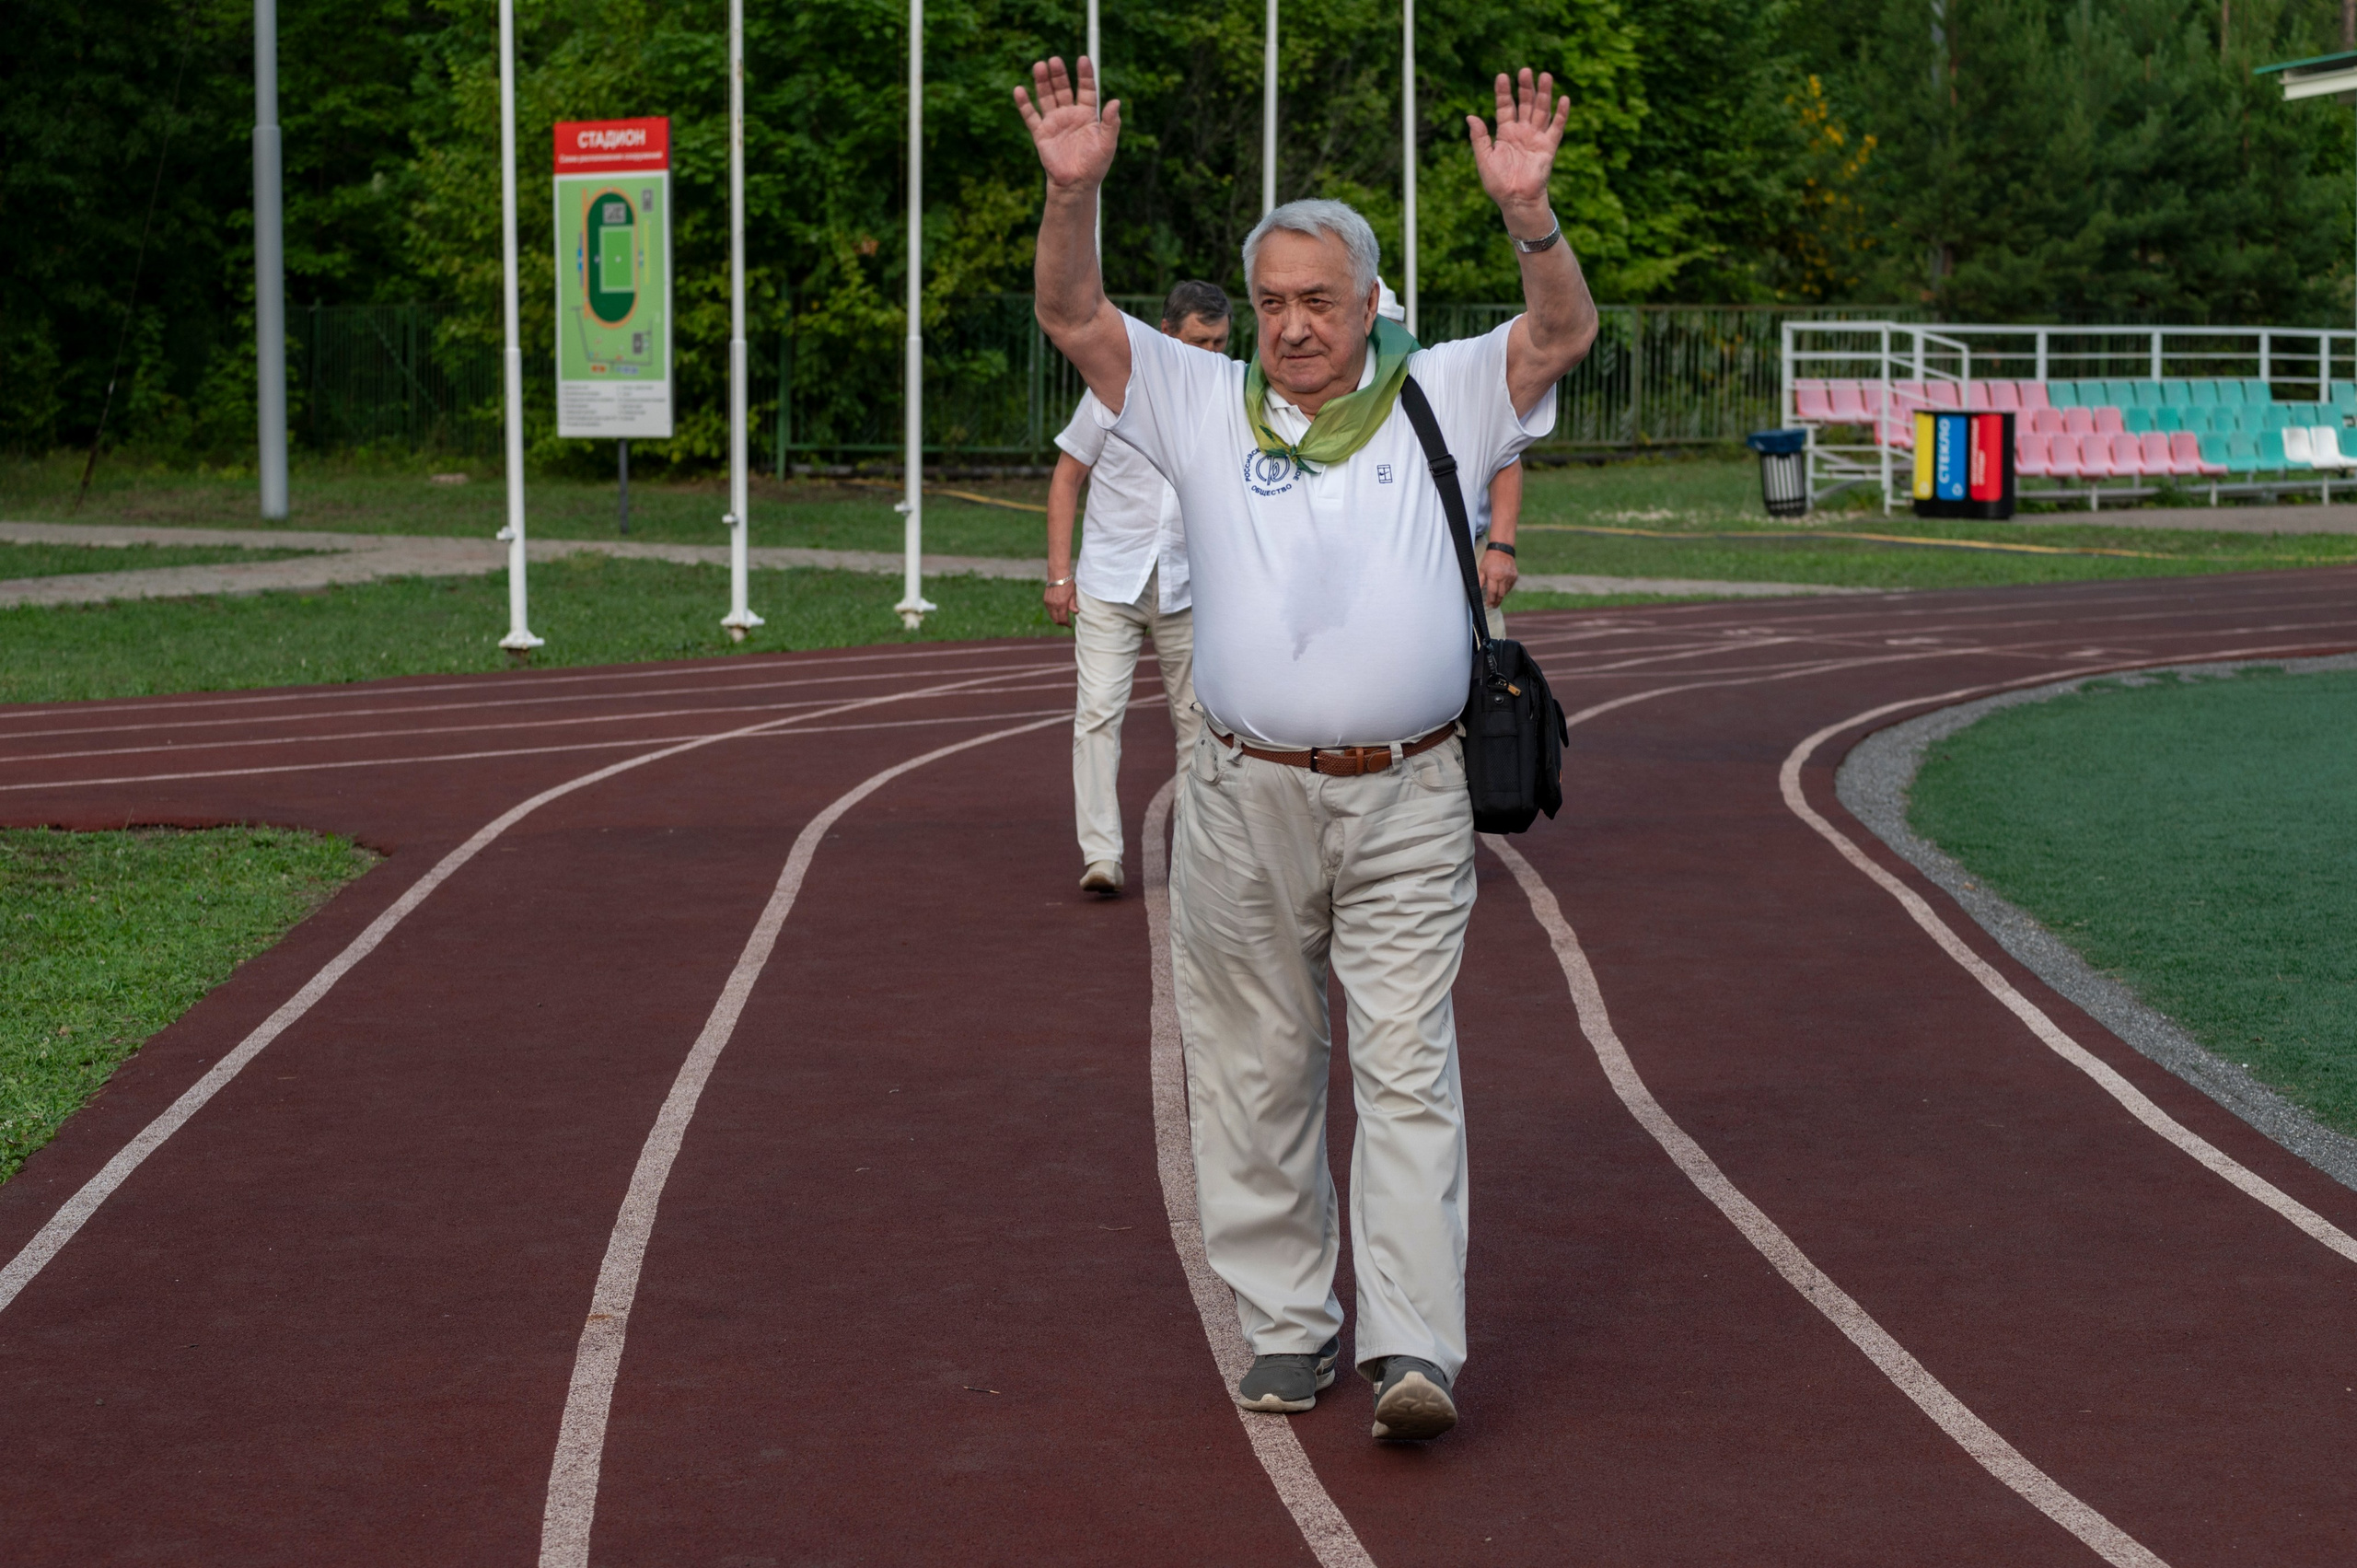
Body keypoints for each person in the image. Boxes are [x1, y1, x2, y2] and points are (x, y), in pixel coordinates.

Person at [1016, 59, 1597, 1441]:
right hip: (1239, 795)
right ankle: (1286, 1323)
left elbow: (1562, 331)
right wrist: (1071, 193)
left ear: (1370, 299)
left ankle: (1413, 1347)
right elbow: (1072, 312)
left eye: (1318, 300)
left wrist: (1529, 215)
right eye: (1272, 301)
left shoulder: (1445, 387)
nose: (1291, 324)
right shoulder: (1194, 395)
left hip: (1411, 790)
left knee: (1404, 1064)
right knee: (1255, 1068)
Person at [1044, 282, 1232, 896]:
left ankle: (1195, 859)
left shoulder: (1231, 399)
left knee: (1199, 724)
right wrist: (1059, 574)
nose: (1211, 353)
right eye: (1200, 341)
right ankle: (1101, 855)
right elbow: (1067, 478)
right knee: (1097, 715)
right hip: (1110, 580)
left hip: (1191, 586)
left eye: (1221, 342)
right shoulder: (1113, 390)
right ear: (1167, 333)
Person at [1376, 278, 1520, 637]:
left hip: (1460, 555)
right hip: (1382, 563)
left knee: (1485, 660)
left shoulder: (1438, 384)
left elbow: (1505, 459)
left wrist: (1501, 547)